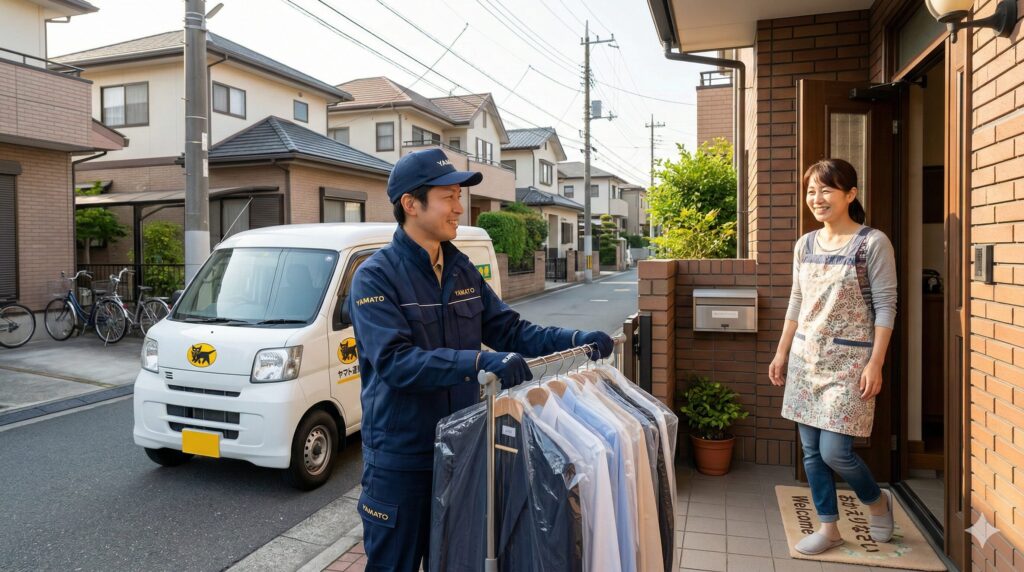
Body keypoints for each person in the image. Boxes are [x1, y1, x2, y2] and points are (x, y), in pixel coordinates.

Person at [348, 148, 614, 571]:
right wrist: (476, 363)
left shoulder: (461, 269)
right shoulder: (375, 276)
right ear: (411, 204)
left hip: (462, 450)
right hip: (401, 460)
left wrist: (576, 339)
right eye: (448, 197)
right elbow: (396, 362)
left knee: (456, 561)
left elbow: (511, 330)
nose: (459, 207)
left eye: (459, 196)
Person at [768, 158, 897, 555]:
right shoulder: (805, 244)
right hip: (806, 360)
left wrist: (876, 362)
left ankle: (877, 501)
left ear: (850, 194)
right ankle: (829, 528)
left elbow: (886, 305)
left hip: (850, 364)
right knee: (811, 452)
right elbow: (797, 300)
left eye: (826, 190)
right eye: (811, 191)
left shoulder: (872, 243)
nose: (817, 198)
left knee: (835, 452)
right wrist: (781, 352)